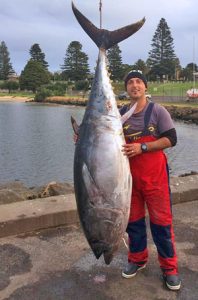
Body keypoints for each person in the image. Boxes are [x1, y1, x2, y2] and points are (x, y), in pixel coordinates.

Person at [120, 70, 181, 291]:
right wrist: (83, 135)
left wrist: (142, 146)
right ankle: (137, 259)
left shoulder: (158, 111)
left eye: (138, 81)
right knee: (133, 224)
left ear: (145, 87)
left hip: (155, 179)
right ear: (126, 88)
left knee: (161, 225)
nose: (134, 85)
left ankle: (169, 268)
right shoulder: (120, 114)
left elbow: (171, 139)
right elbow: (105, 137)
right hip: (129, 181)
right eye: (130, 82)